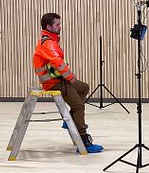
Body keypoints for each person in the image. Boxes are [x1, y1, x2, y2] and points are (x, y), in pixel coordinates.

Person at [33, 13, 103, 153]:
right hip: (54, 83)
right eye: (57, 25)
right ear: (49, 27)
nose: (60, 27)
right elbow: (58, 62)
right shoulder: (48, 43)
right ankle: (83, 142)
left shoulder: (51, 40)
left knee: (84, 88)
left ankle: (69, 119)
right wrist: (70, 77)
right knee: (78, 106)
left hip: (60, 80)